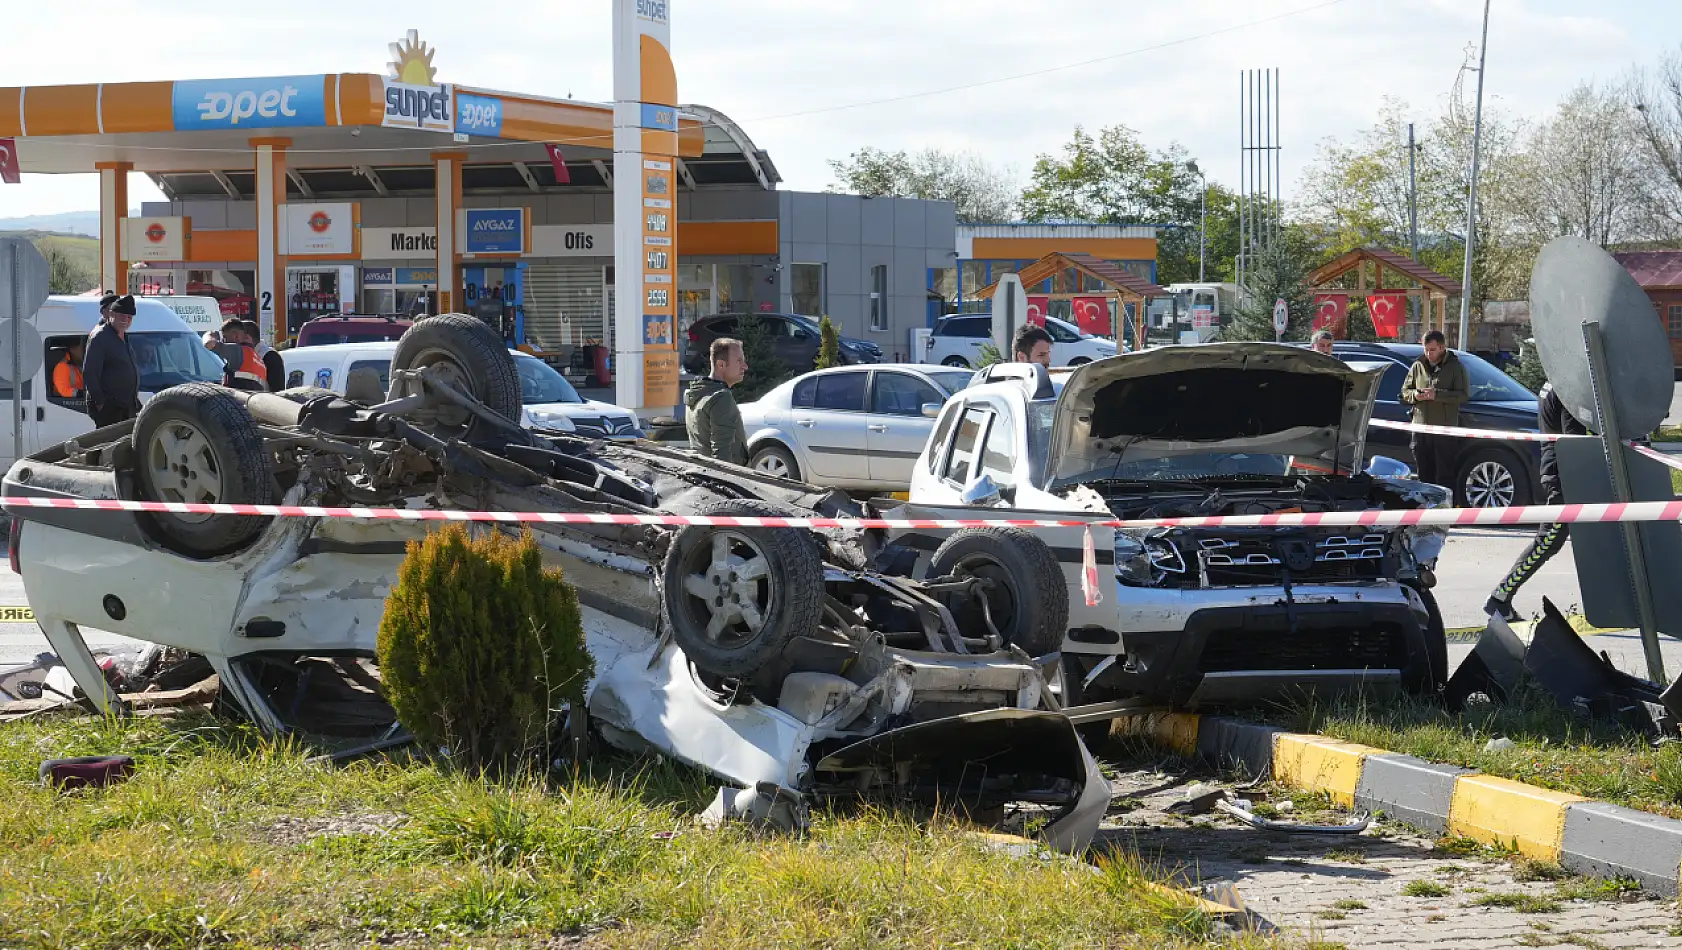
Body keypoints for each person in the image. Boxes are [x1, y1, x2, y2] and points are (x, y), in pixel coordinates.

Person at [1485, 383, 1588, 622]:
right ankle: (1500, 596)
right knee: (1549, 540)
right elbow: (1573, 442)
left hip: (1559, 470)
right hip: (1564, 475)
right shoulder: (1568, 388)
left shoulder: (1554, 381)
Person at [1399, 330, 1469, 488]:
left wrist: (1437, 395)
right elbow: (1404, 392)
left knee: (1445, 474)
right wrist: (1416, 395)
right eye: (1425, 349)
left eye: (1432, 350)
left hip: (1443, 430)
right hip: (1420, 428)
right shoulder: (1418, 366)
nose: (1428, 354)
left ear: (1442, 347)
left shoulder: (1455, 367)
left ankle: (1445, 507)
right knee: (1424, 473)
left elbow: (1463, 395)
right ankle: (1426, 507)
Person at [685, 337, 749, 466]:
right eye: (739, 361)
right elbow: (722, 454)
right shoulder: (721, 397)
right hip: (724, 479)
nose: (745, 367)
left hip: (701, 472)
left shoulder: (697, 392)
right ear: (721, 365)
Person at [82, 295, 141, 426]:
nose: (126, 320)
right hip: (109, 407)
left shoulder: (124, 337)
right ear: (112, 314)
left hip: (126, 406)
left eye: (129, 317)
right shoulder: (100, 337)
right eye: (122, 316)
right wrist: (100, 402)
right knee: (107, 444)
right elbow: (90, 372)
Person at [219, 318, 268, 392]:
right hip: (252, 401)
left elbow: (210, 344)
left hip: (237, 401)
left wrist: (210, 334)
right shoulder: (258, 360)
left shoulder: (238, 352)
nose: (224, 341)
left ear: (236, 336)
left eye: (225, 337)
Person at [241, 319, 286, 392]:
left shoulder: (270, 356)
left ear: (247, 337)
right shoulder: (244, 356)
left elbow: (278, 391)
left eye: (237, 336)